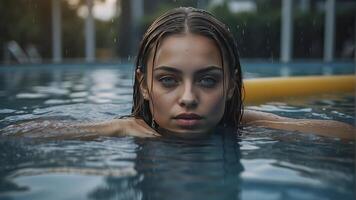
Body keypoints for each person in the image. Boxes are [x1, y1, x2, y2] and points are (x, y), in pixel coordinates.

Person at [4, 7, 355, 140]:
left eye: (208, 80)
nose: (188, 97)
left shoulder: (246, 123)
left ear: (232, 85)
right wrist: (112, 126)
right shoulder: (123, 130)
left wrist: (255, 119)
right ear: (143, 85)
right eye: (168, 80)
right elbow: (15, 134)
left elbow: (342, 132)